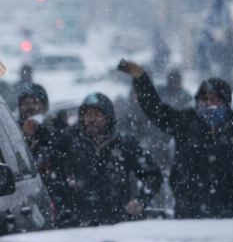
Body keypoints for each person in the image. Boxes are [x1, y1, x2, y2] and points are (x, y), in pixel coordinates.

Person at [119, 60, 233, 218]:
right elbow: (155, 109)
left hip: (231, 212)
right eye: (203, 100)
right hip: (190, 209)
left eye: (214, 100)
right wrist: (141, 79)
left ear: (226, 102)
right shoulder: (186, 124)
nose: (208, 105)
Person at [57, 92, 162, 227]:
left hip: (118, 223)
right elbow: (51, 175)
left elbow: (153, 175)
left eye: (98, 115)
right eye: (88, 114)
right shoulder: (70, 143)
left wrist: (140, 201)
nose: (92, 120)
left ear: (109, 118)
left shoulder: (125, 144)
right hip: (78, 225)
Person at [16, 82, 69, 212]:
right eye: (25, 103)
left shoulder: (56, 128)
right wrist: (24, 137)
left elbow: (66, 150)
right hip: (26, 195)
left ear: (44, 105)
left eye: (34, 102)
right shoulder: (13, 129)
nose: (29, 107)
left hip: (56, 191)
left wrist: (50, 130)